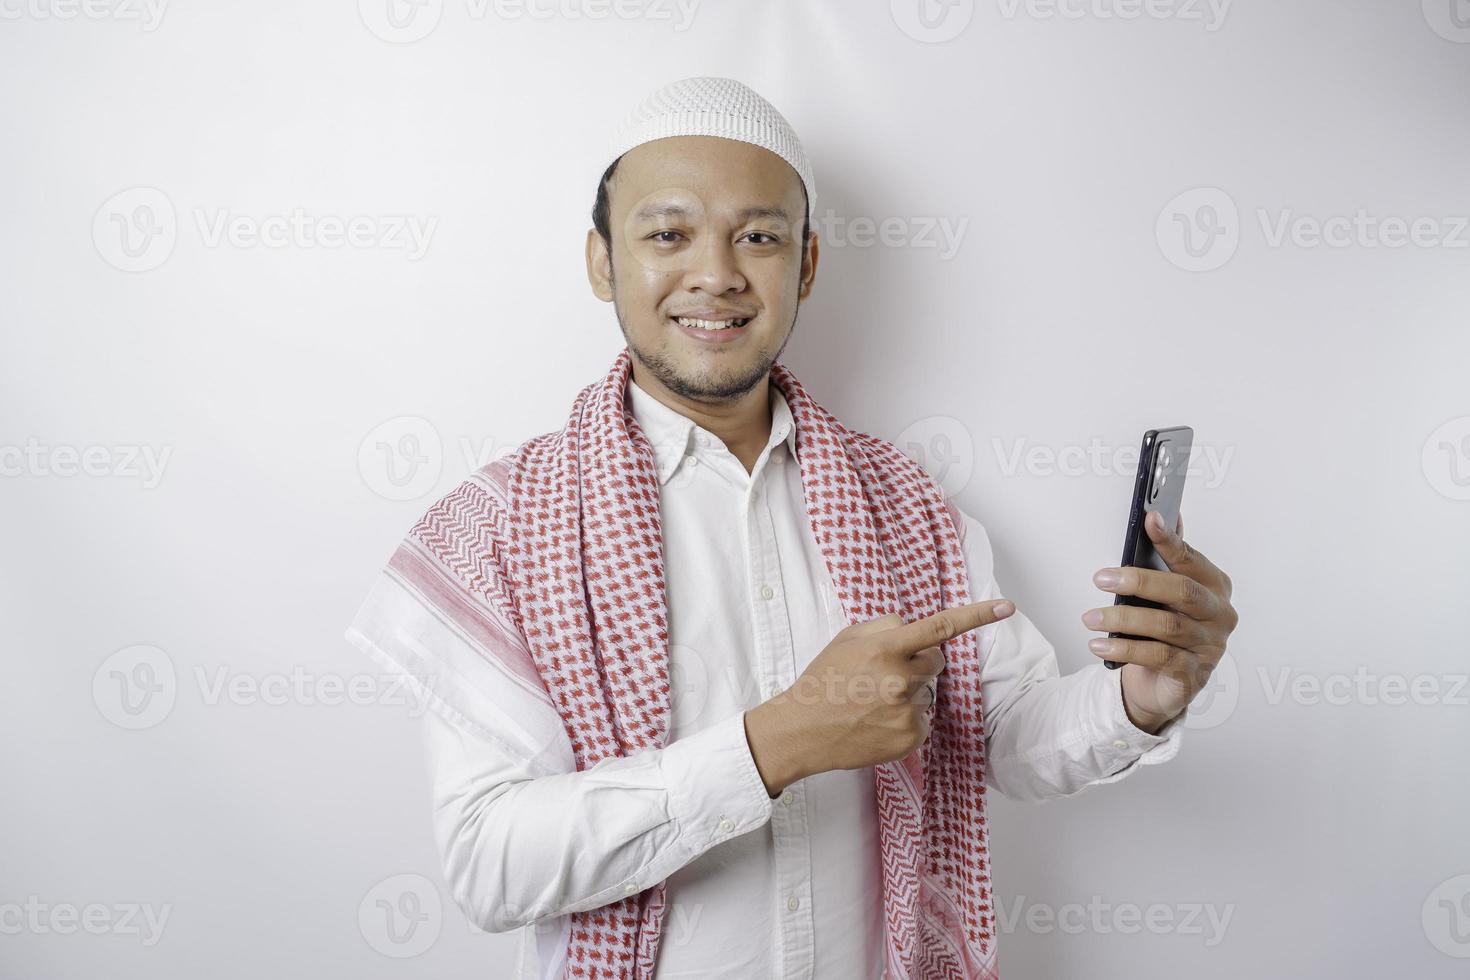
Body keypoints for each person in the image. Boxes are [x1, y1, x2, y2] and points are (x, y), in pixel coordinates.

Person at [345, 75, 1239, 980]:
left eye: (759, 237)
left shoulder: (903, 505)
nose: (717, 274)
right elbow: (490, 865)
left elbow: (1000, 732)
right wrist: (779, 741)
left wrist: (1139, 700)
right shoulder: (504, 528)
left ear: (805, 266)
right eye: (667, 233)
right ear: (601, 262)